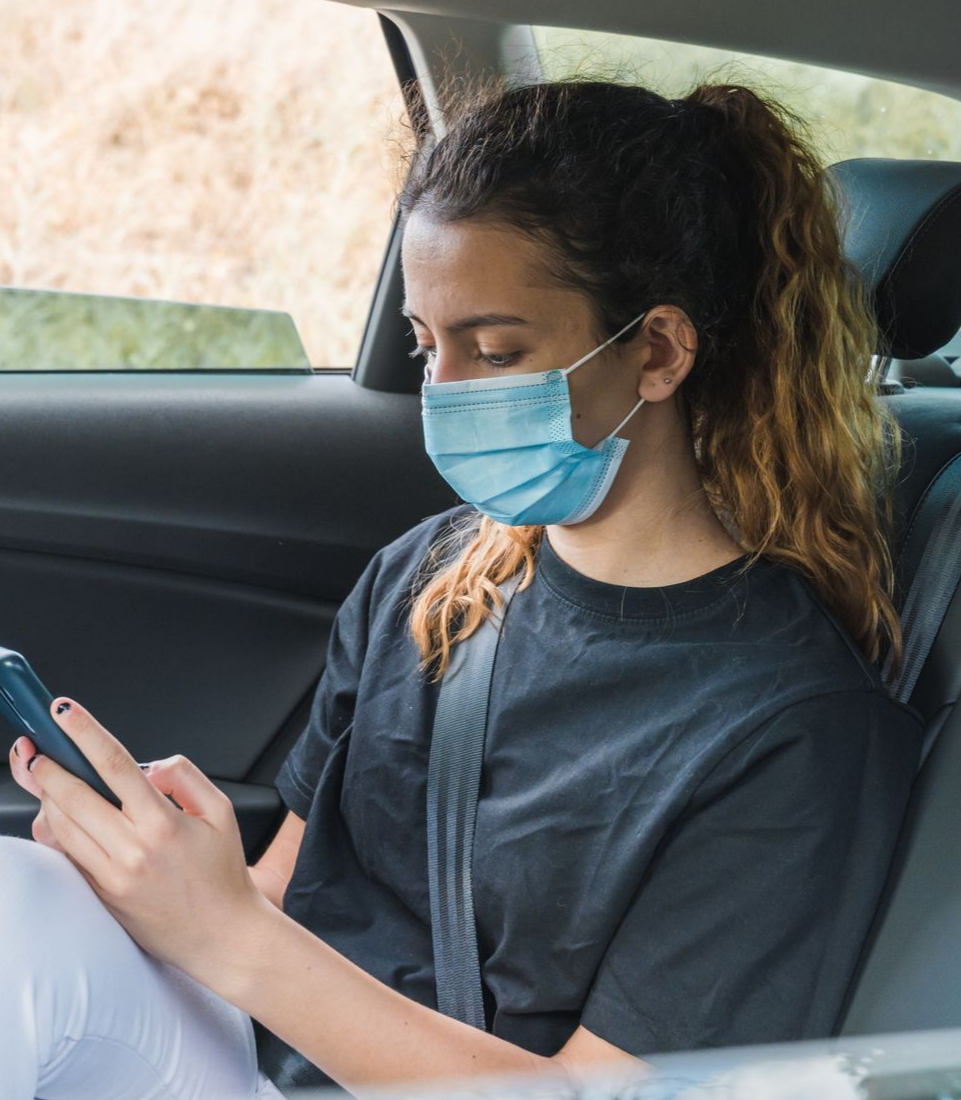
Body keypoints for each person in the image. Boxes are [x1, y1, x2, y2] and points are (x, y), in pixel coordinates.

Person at [2, 75, 923, 1099]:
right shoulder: (429, 576)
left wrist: (223, 933)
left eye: (494, 351)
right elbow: (287, 900)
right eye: (424, 345)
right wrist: (175, 876)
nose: (444, 391)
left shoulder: (793, 735)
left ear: (657, 351)